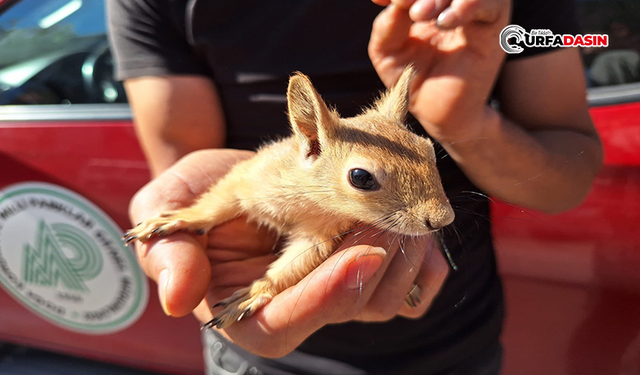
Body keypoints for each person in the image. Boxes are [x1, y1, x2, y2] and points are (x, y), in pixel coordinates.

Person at [107, 0, 603, 374]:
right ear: (311, 141)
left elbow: (570, 174)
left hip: (459, 341)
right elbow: (220, 186)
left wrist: (464, 120)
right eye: (364, 180)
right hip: (263, 362)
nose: (444, 215)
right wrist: (194, 230)